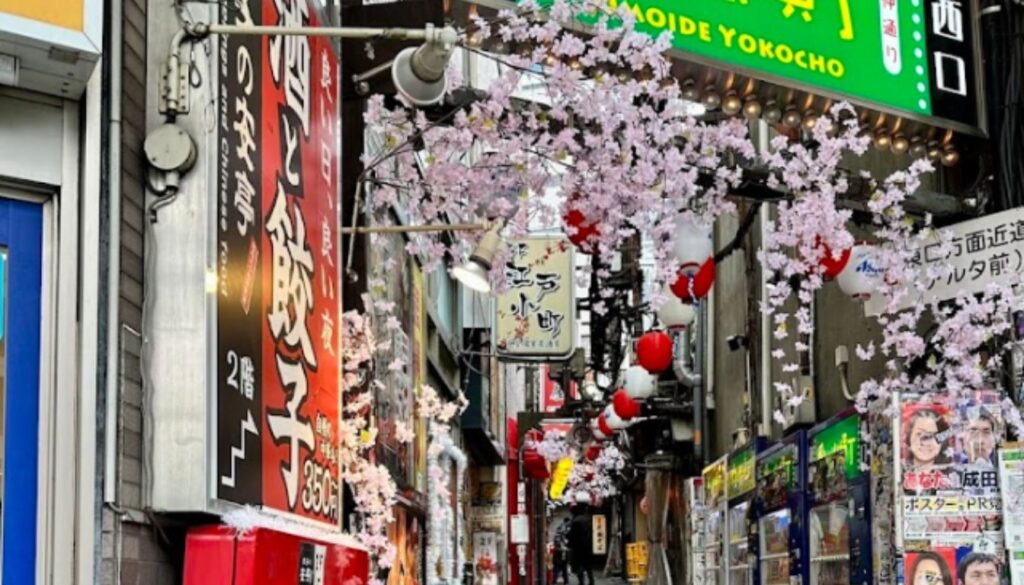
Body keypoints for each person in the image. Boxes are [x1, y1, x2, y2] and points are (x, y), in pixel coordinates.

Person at [568, 506, 594, 585]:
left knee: (579, 566)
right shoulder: (588, 520)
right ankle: (591, 581)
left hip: (578, 547)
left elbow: (572, 535)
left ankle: (581, 581)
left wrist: (570, 544)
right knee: (588, 566)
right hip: (588, 546)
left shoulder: (575, 521)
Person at [552, 518, 571, 585]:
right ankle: (563, 581)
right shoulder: (564, 528)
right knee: (561, 568)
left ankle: (557, 581)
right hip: (561, 552)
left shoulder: (561, 528)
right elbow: (559, 540)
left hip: (561, 552)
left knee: (561, 568)